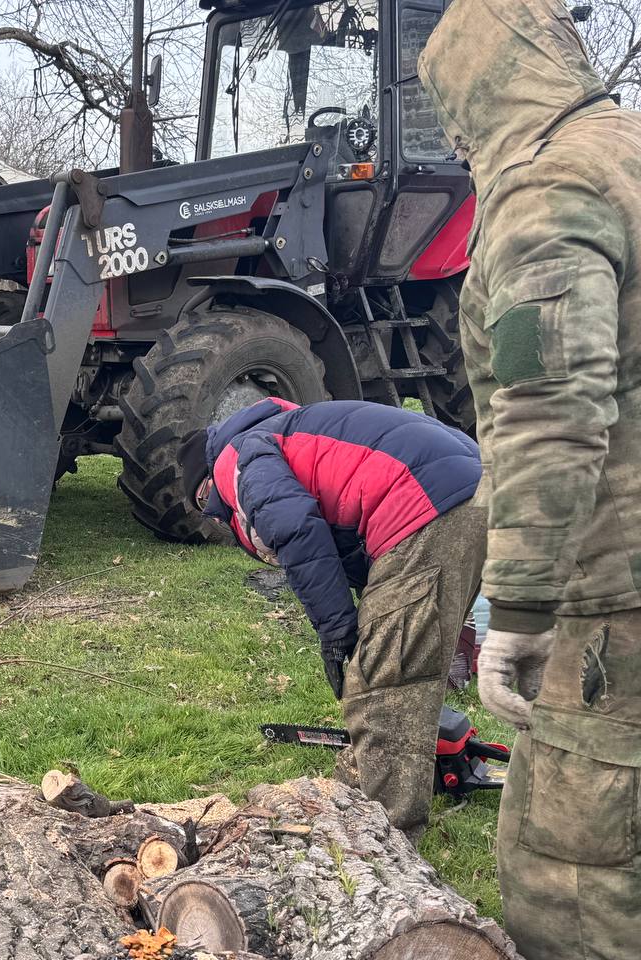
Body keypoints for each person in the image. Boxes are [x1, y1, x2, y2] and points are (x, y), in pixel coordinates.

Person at [418, 1, 641, 955]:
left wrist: (516, 614)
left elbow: (551, 406)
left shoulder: (548, 191)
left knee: (574, 868)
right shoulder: (626, 149)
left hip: (616, 593)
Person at [180, 397, 482, 841]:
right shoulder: (290, 431)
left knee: (385, 685)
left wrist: (337, 631)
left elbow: (297, 530)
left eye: (206, 499)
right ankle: (360, 789)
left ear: (206, 482)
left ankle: (384, 845)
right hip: (473, 492)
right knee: (401, 663)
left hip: (423, 507)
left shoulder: (237, 458)